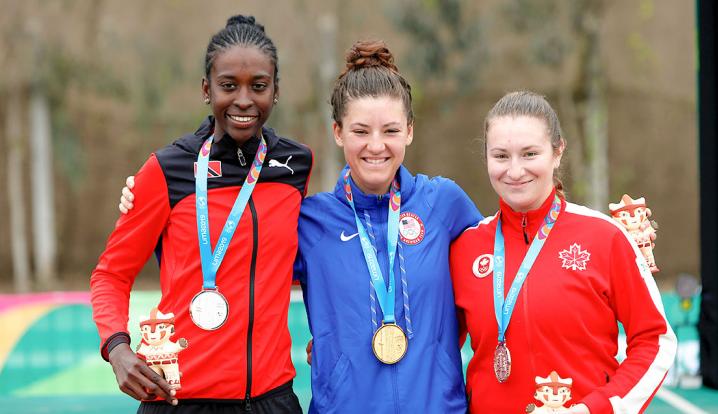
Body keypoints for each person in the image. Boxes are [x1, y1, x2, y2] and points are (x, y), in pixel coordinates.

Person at [122, 40, 483, 413]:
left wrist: (440, 344)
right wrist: (152, 208)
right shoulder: (311, 220)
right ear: (338, 133)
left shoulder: (443, 203)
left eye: (390, 131)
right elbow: (241, 273)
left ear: (409, 131)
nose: (376, 146)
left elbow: (497, 266)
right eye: (361, 131)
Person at [91, 15, 312, 413]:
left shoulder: (295, 164)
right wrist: (117, 348)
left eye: (258, 86)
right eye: (229, 86)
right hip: (181, 401)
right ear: (206, 90)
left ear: (275, 91)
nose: (244, 100)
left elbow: (300, 260)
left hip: (273, 400)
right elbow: (111, 273)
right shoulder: (167, 169)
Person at [449, 91, 676, 414]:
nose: (514, 171)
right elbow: (435, 354)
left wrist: (595, 409)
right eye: (501, 156)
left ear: (557, 152)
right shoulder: (465, 248)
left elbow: (655, 341)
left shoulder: (605, 237)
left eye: (529, 154)